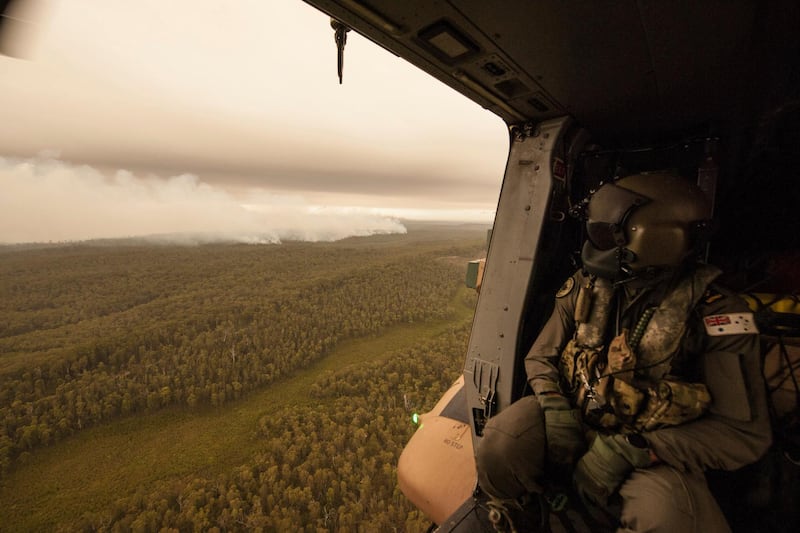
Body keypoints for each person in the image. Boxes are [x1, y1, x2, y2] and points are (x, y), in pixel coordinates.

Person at [475, 171, 772, 532]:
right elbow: (541, 357)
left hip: (651, 448)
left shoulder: (717, 312)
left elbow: (741, 435)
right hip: (577, 415)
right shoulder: (588, 285)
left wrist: (636, 448)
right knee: (502, 443)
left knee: (669, 517)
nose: (596, 243)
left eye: (608, 234)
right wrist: (554, 404)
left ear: (657, 238)